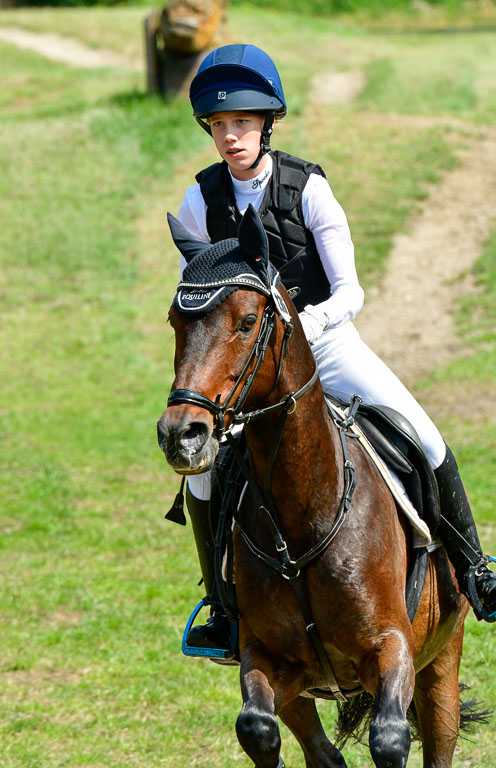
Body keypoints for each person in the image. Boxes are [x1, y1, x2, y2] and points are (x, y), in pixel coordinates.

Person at [174, 43, 496, 650]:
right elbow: (203, 298)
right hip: (251, 370)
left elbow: (351, 291)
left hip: (328, 349)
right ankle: (221, 608)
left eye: (242, 122)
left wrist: (306, 329)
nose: (230, 136)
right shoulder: (200, 205)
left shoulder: (308, 191)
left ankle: (475, 571)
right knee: (199, 477)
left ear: (267, 124)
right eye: (219, 125)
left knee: (424, 437)